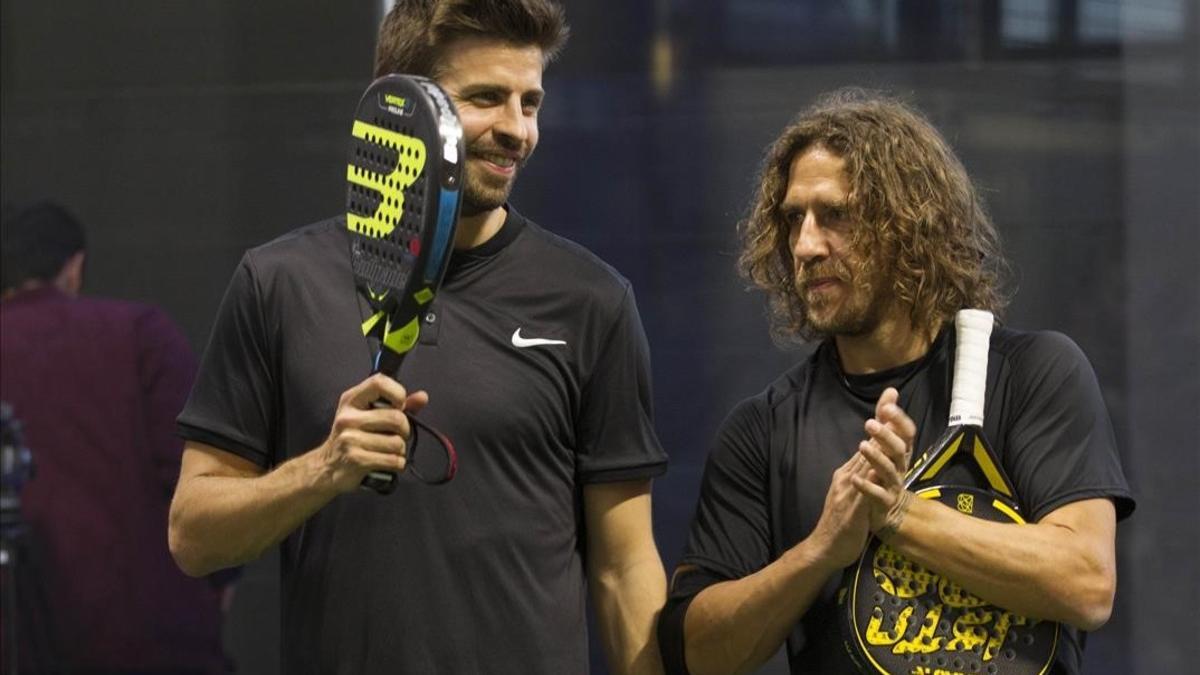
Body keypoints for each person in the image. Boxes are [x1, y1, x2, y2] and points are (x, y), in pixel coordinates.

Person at [168, 1, 669, 673]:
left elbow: (624, 565)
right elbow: (193, 535)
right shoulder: (279, 282)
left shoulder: (592, 300)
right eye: (486, 99)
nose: (517, 130)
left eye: (531, 102)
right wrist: (322, 470)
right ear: (403, 105)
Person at [657, 89, 1135, 675]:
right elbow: (694, 655)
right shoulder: (764, 431)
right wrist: (818, 551)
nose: (806, 246)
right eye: (792, 220)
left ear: (909, 225)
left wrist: (900, 516)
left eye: (836, 216)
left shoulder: (1035, 373)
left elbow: (1087, 583)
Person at [0, 201, 228, 673]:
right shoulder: (139, 334)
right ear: (75, 266)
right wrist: (220, 578)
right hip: (147, 636)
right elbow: (201, 475)